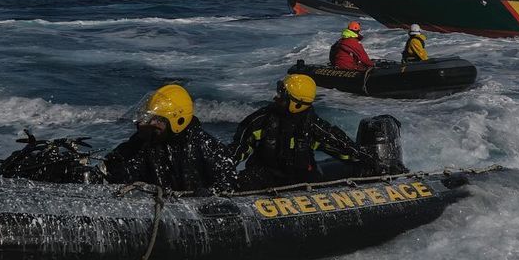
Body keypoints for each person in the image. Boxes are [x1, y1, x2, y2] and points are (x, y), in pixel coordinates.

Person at [231, 74, 377, 189]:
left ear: (297, 104)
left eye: (282, 95)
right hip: (264, 175)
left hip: (301, 177)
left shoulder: (313, 125)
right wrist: (223, 168)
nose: (276, 97)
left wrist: (372, 162)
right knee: (243, 182)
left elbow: (341, 145)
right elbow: (238, 149)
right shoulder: (260, 120)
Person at [103, 84, 237, 192]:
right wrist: (105, 170)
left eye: (158, 120)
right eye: (150, 118)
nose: (151, 124)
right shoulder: (146, 143)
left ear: (178, 121)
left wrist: (211, 192)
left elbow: (228, 181)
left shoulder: (205, 145)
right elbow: (125, 170)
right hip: (161, 208)